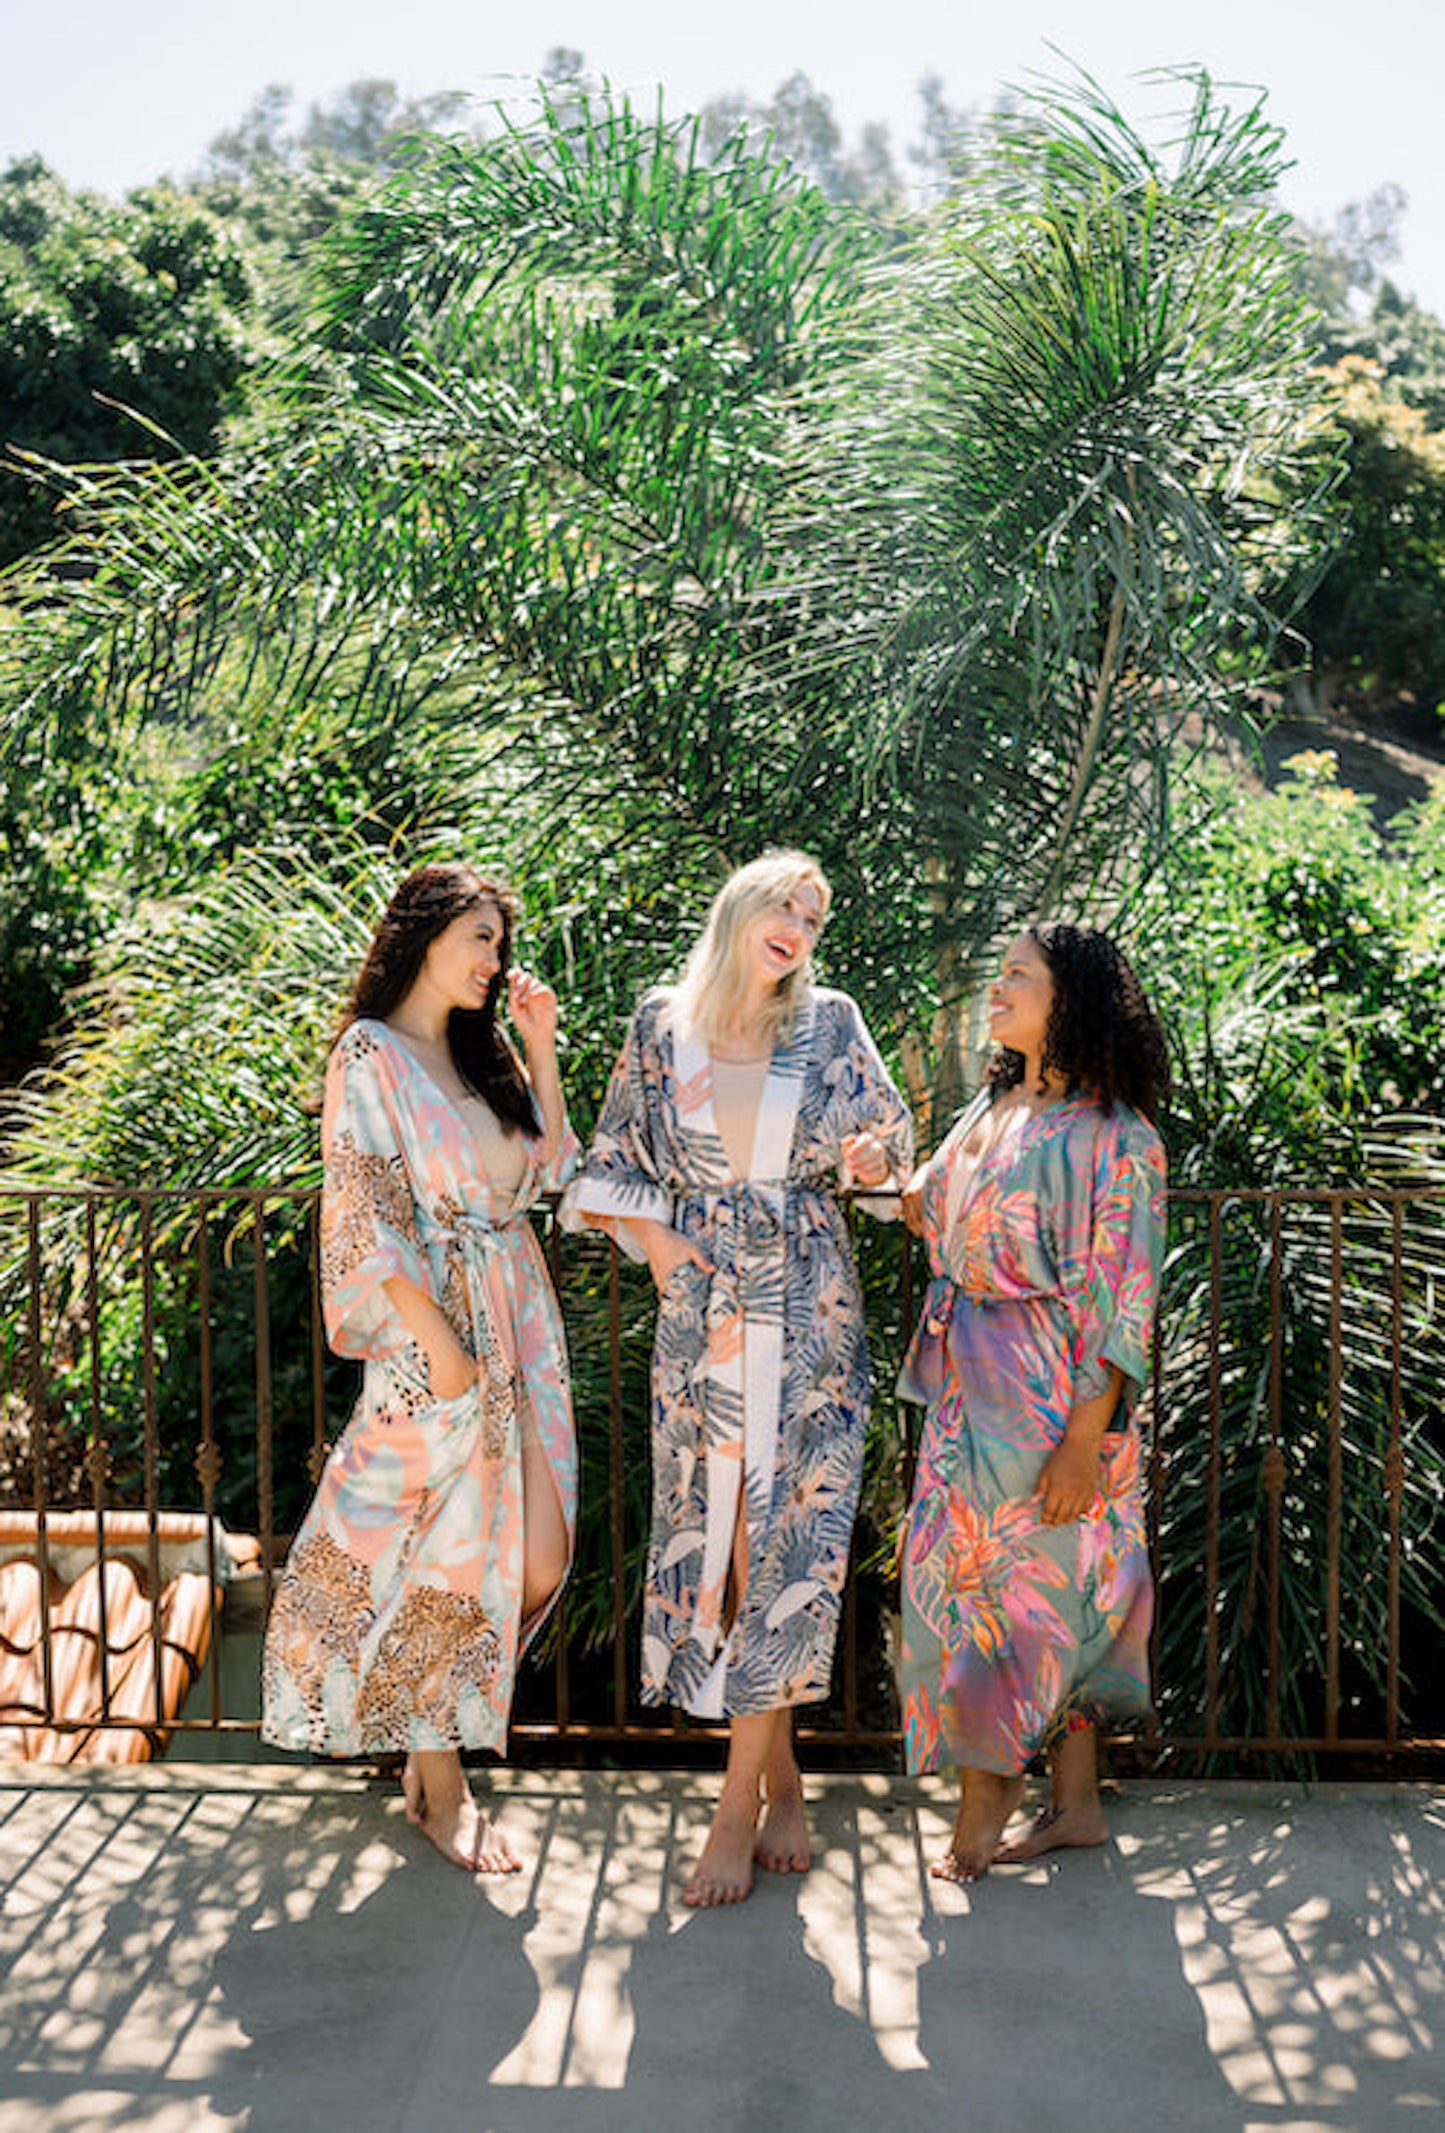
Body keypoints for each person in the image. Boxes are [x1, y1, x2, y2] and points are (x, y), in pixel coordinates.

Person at [566, 850, 913, 1907]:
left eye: (816, 915)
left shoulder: (830, 1022)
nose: (801, 927)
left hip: (810, 1311)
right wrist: (664, 1250)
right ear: (740, 907)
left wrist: (867, 1164)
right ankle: (786, 1784)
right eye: (787, 905)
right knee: (717, 1543)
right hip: (704, 1317)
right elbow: (610, 1162)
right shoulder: (658, 1024)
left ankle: (731, 1812)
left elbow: (890, 1148)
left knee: (786, 1546)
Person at [261, 862, 576, 1874]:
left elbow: (548, 1173)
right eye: (479, 937)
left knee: (535, 1558)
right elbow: (359, 1209)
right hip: (433, 1333)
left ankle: (424, 1741)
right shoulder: (371, 1053)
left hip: (518, 1325)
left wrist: (541, 1050)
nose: (494, 960)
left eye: (499, 944)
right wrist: (435, 1340)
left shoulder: (479, 1061)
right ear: (425, 933)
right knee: (444, 1555)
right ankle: (439, 1783)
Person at [898, 922, 1167, 1883]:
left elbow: (1124, 1299)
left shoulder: (1118, 1137)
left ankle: (984, 1804)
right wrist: (887, 1178)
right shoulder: (992, 1107)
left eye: (1019, 973)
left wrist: (1083, 1442)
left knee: (1024, 1601)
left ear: (1072, 1001)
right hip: (966, 1390)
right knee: (1029, 1595)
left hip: (1051, 1400)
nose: (997, 984)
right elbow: (937, 1210)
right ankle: (1078, 1807)